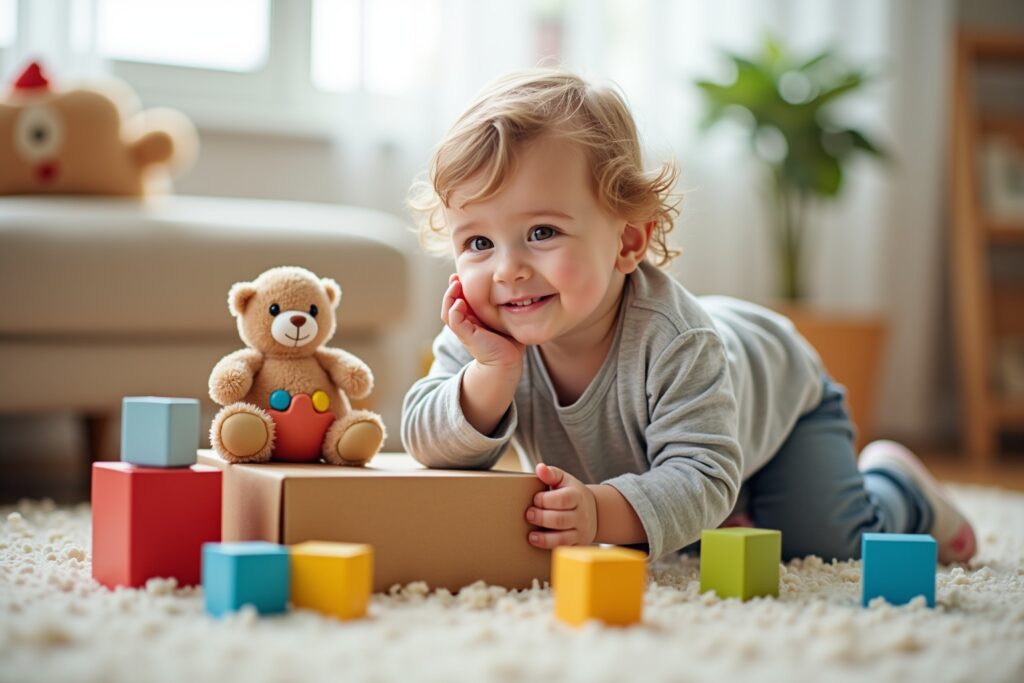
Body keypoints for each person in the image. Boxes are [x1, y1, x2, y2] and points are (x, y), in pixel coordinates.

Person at [401, 68, 976, 564]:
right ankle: (737, 516)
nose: (507, 270)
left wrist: (599, 513)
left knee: (823, 542)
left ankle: (901, 487)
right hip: (689, 444)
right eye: (477, 242)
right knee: (694, 532)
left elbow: (704, 475)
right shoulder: (485, 332)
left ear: (628, 241)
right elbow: (425, 442)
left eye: (542, 232)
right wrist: (491, 375)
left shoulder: (674, 339)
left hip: (780, 402)